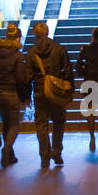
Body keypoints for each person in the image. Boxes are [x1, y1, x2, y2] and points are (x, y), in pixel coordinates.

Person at [27, 21, 73, 170]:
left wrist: (26, 95)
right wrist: (69, 91)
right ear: (47, 32)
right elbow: (68, 71)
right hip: (56, 92)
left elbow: (27, 77)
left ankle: (44, 156)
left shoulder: (31, 53)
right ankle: (57, 151)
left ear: (35, 35)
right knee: (59, 121)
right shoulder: (59, 49)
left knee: (41, 124)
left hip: (40, 92)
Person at [0, 22, 30, 167]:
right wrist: (24, 97)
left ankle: (10, 156)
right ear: (17, 39)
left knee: (6, 124)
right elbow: (20, 78)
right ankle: (6, 149)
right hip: (12, 93)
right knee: (15, 126)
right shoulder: (18, 55)